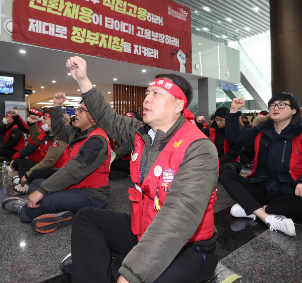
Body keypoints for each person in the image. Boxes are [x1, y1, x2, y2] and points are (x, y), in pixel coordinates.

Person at [62, 56, 219, 283]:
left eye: (157, 94)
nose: (147, 99)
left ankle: (104, 262)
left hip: (187, 246)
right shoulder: (141, 133)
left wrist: (131, 274)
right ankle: (103, 265)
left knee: (137, 276)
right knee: (88, 218)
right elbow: (108, 118)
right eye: (147, 93)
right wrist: (83, 80)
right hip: (144, 231)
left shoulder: (199, 148)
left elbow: (179, 217)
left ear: (178, 105)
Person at [219, 93, 302, 237]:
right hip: (263, 187)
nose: (275, 107)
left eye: (281, 104)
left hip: (291, 189)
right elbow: (234, 137)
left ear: (293, 111)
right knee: (226, 175)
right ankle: (267, 217)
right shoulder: (261, 131)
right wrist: (234, 111)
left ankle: (253, 209)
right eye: (272, 105)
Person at [2, 93, 111, 234]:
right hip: (76, 187)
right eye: (77, 109)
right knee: (36, 183)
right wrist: (57, 106)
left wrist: (42, 191)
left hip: (92, 195)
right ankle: (64, 211)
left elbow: (73, 171)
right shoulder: (78, 132)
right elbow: (59, 128)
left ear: (94, 117)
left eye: (81, 110)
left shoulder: (96, 140)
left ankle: (25, 209)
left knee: (44, 198)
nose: (76, 113)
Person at [12, 113, 67, 194]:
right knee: (23, 164)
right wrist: (32, 123)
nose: (42, 121)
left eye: (45, 119)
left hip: (56, 170)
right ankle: (24, 182)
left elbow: (49, 161)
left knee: (35, 173)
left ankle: (24, 181)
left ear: (53, 122)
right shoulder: (47, 133)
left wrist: (27, 175)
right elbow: (36, 139)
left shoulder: (59, 137)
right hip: (46, 166)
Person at [203, 107, 242, 174]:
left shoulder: (236, 132)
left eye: (221, 120)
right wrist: (198, 123)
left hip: (231, 162)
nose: (218, 122)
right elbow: (197, 135)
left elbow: (234, 152)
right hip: (213, 160)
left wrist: (219, 161)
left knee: (225, 168)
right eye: (216, 119)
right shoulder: (211, 130)